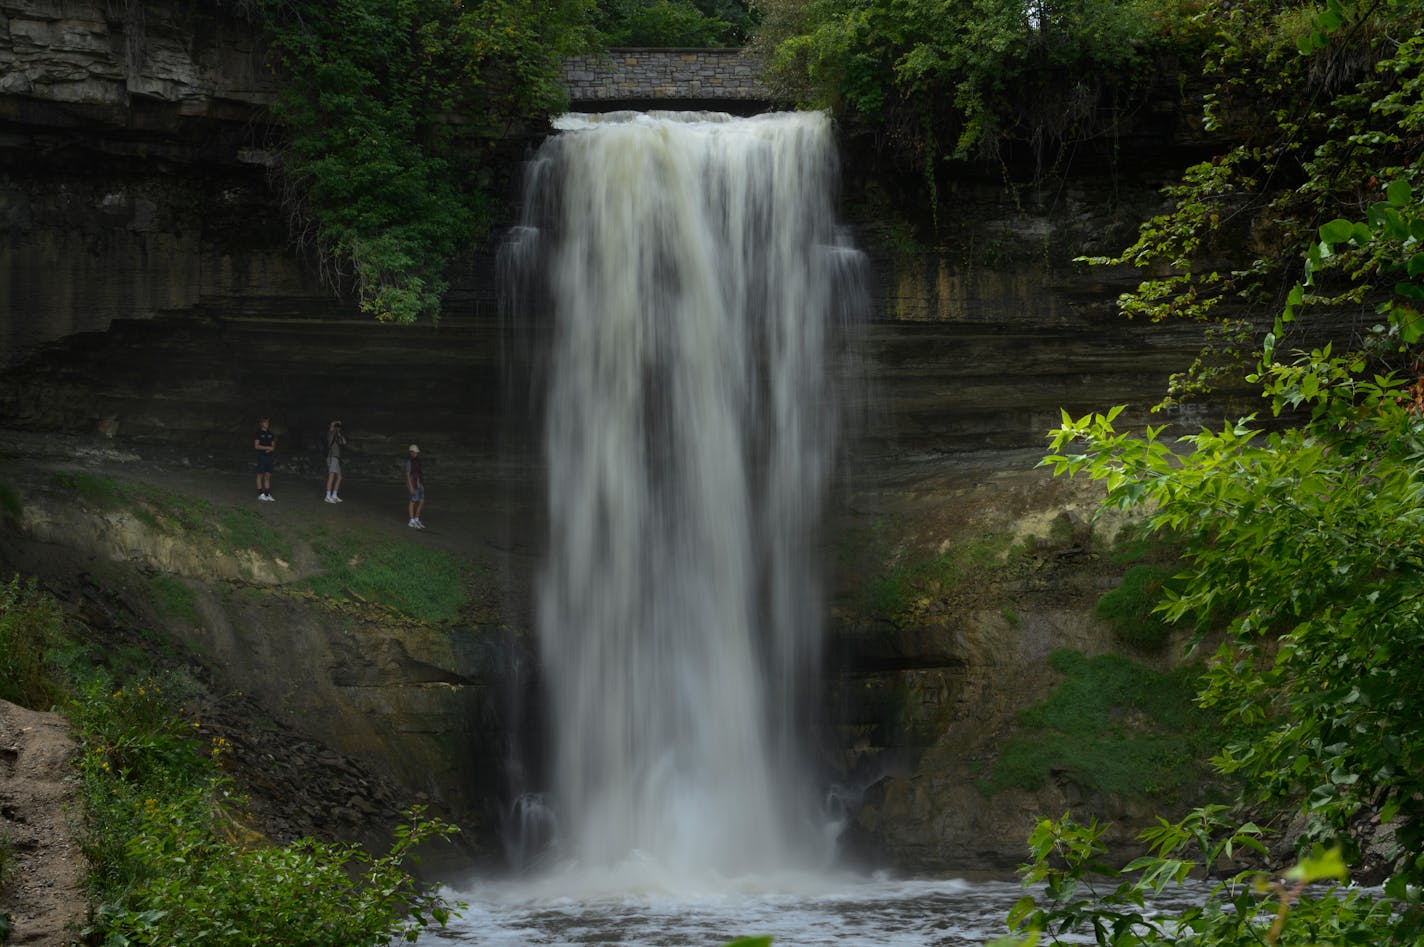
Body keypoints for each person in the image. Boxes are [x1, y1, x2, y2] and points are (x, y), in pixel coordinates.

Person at [324, 420, 347, 503]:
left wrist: (340, 435)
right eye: (337, 428)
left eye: (339, 428)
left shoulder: (337, 437)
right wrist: (336, 422)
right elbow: (331, 425)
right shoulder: (331, 434)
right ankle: (327, 496)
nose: (338, 429)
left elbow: (344, 442)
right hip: (332, 457)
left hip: (336, 458)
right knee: (331, 476)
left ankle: (334, 495)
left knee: (339, 477)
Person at [254, 416, 276, 501]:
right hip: (261, 456)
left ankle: (267, 494)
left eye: (268, 422)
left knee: (268, 475)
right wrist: (267, 448)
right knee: (260, 474)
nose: (267, 424)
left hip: (269, 457)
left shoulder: (271, 433)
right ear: (261, 423)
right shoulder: (258, 433)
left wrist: (272, 448)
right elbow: (256, 446)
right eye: (265, 422)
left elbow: (273, 445)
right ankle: (260, 494)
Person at [405, 444, 425, 529]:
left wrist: (421, 484)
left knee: (421, 500)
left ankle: (416, 519)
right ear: (411, 452)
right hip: (412, 483)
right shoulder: (409, 462)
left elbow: (419, 473)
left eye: (417, 452)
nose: (416, 454)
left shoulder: (418, 461)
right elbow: (408, 475)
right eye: (414, 452)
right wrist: (411, 487)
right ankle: (411, 520)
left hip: (418, 483)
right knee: (412, 501)